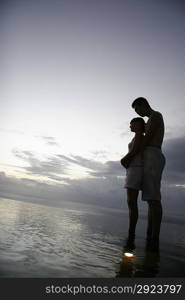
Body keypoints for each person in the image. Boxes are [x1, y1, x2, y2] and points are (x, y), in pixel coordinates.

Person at [124, 97, 165, 252]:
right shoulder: (148, 121)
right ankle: (150, 235)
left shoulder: (156, 116)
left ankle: (155, 237)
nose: (138, 113)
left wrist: (129, 156)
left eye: (137, 109)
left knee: (153, 198)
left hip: (153, 155)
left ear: (142, 105)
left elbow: (147, 140)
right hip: (148, 158)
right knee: (149, 198)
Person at [121, 117, 145, 243]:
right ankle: (131, 230)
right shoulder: (137, 136)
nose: (130, 125)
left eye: (131, 123)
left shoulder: (140, 135)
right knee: (131, 202)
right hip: (132, 169)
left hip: (135, 169)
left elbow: (135, 150)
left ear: (138, 124)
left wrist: (123, 160)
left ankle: (131, 232)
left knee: (132, 202)